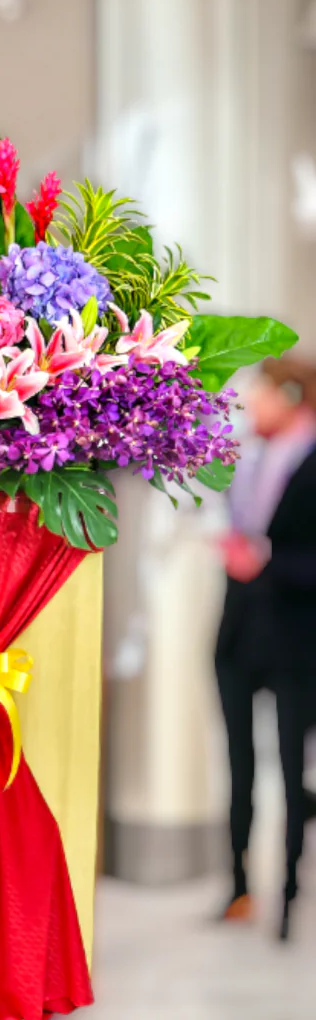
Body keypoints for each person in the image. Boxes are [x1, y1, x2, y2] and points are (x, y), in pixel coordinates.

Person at [215, 357, 316, 938]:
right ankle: (238, 886)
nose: (250, 407)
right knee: (238, 763)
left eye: (260, 396)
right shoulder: (245, 457)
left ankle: (291, 895)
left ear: (292, 395)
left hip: (296, 638)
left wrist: (269, 560)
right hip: (237, 632)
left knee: (290, 762)